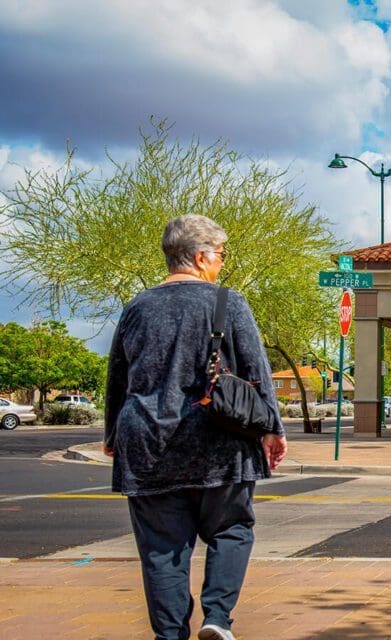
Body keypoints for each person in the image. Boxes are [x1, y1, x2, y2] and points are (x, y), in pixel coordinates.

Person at [104, 214, 287, 640]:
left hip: (146, 441)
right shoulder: (228, 302)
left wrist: (113, 433)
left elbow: (117, 375)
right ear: (202, 256)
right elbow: (255, 370)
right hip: (219, 440)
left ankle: (170, 635)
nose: (222, 263)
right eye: (221, 255)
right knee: (232, 529)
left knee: (161, 548)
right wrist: (272, 429)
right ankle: (217, 618)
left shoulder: (137, 306)